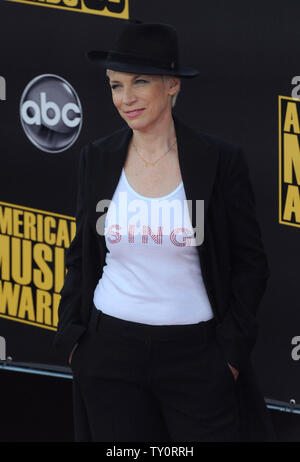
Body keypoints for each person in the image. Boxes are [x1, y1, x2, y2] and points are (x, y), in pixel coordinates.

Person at [52, 20, 276, 442]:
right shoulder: (96, 158)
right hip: (109, 353)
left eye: (140, 82)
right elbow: (81, 254)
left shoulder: (219, 160)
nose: (126, 98)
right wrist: (74, 341)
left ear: (172, 85)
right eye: (115, 85)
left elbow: (251, 264)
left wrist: (229, 354)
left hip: (197, 358)